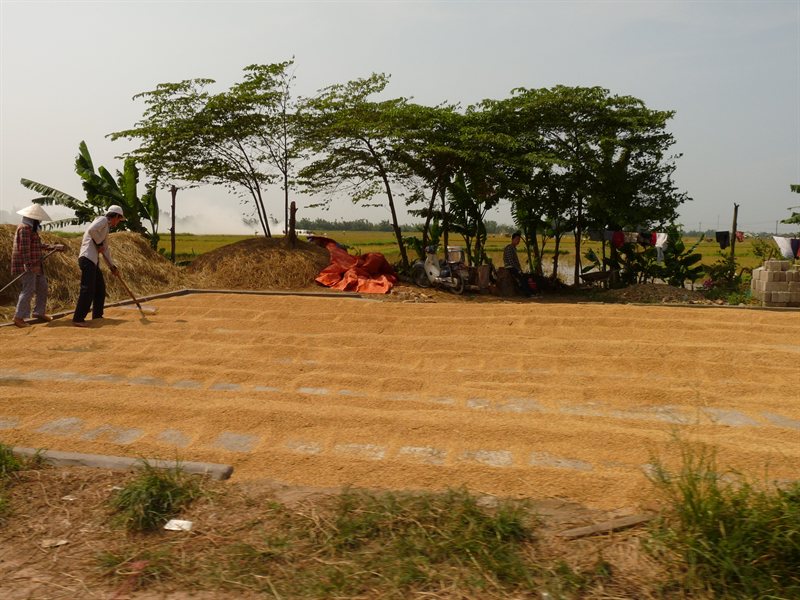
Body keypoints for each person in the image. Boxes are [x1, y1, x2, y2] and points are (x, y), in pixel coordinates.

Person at [10, 203, 66, 327]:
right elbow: (24, 249)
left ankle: (39, 312)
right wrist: (28, 264)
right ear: (33, 219)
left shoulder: (31, 230)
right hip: (28, 265)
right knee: (28, 290)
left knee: (43, 287)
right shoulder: (24, 228)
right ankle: (18, 317)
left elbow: (36, 245)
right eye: (38, 219)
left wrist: (53, 247)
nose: (39, 221)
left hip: (36, 264)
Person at [72, 205, 126, 327]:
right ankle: (78, 318)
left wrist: (112, 266)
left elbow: (105, 250)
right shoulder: (102, 220)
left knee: (100, 288)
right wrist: (99, 243)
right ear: (116, 216)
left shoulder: (105, 228)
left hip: (93, 261)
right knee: (88, 289)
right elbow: (92, 230)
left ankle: (97, 315)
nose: (117, 223)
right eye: (119, 219)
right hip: (87, 258)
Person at [503, 231, 534, 297]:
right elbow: (511, 261)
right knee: (522, 278)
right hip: (510, 267)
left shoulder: (513, 248)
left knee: (524, 277)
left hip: (513, 267)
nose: (518, 241)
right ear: (512, 239)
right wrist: (518, 270)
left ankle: (529, 293)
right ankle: (528, 294)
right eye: (517, 239)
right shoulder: (509, 248)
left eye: (519, 240)